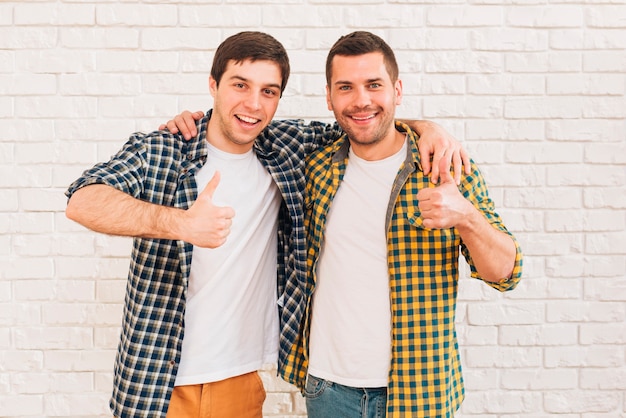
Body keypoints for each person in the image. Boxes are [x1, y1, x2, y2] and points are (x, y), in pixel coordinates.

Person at [65, 31, 467, 418]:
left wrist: (427, 127)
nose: (253, 104)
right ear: (213, 85)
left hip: (242, 379)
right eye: (240, 85)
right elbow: (83, 200)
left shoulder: (285, 148)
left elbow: (364, 122)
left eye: (268, 91)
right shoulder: (165, 149)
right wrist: (180, 224)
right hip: (158, 383)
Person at [277, 31, 523, 418]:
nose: (361, 100)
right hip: (328, 390)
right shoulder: (315, 168)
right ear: (329, 96)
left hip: (420, 390)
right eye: (346, 87)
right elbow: (245, 131)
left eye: (374, 85)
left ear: (397, 89)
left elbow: (506, 273)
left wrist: (467, 218)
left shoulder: (444, 167)